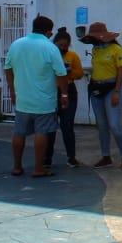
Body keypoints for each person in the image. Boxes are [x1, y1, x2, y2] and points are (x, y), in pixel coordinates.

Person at [3, 14, 67, 177]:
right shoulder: (50, 48)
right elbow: (61, 73)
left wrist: (11, 89)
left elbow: (8, 68)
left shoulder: (16, 44)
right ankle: (39, 168)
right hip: (44, 100)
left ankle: (17, 166)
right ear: (48, 32)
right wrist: (65, 94)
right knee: (41, 132)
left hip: (22, 98)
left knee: (19, 133)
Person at [82, 21, 122, 171]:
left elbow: (121, 72)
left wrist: (117, 91)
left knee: (114, 125)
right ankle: (106, 156)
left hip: (111, 88)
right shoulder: (95, 50)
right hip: (97, 88)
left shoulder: (116, 49)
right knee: (101, 125)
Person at [44, 27, 84, 169]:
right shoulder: (48, 55)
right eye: (60, 45)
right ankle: (47, 157)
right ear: (54, 44)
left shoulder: (72, 56)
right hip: (52, 90)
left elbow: (80, 73)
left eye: (65, 46)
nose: (62, 48)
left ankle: (71, 157)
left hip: (68, 89)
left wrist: (69, 71)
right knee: (50, 126)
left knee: (67, 125)